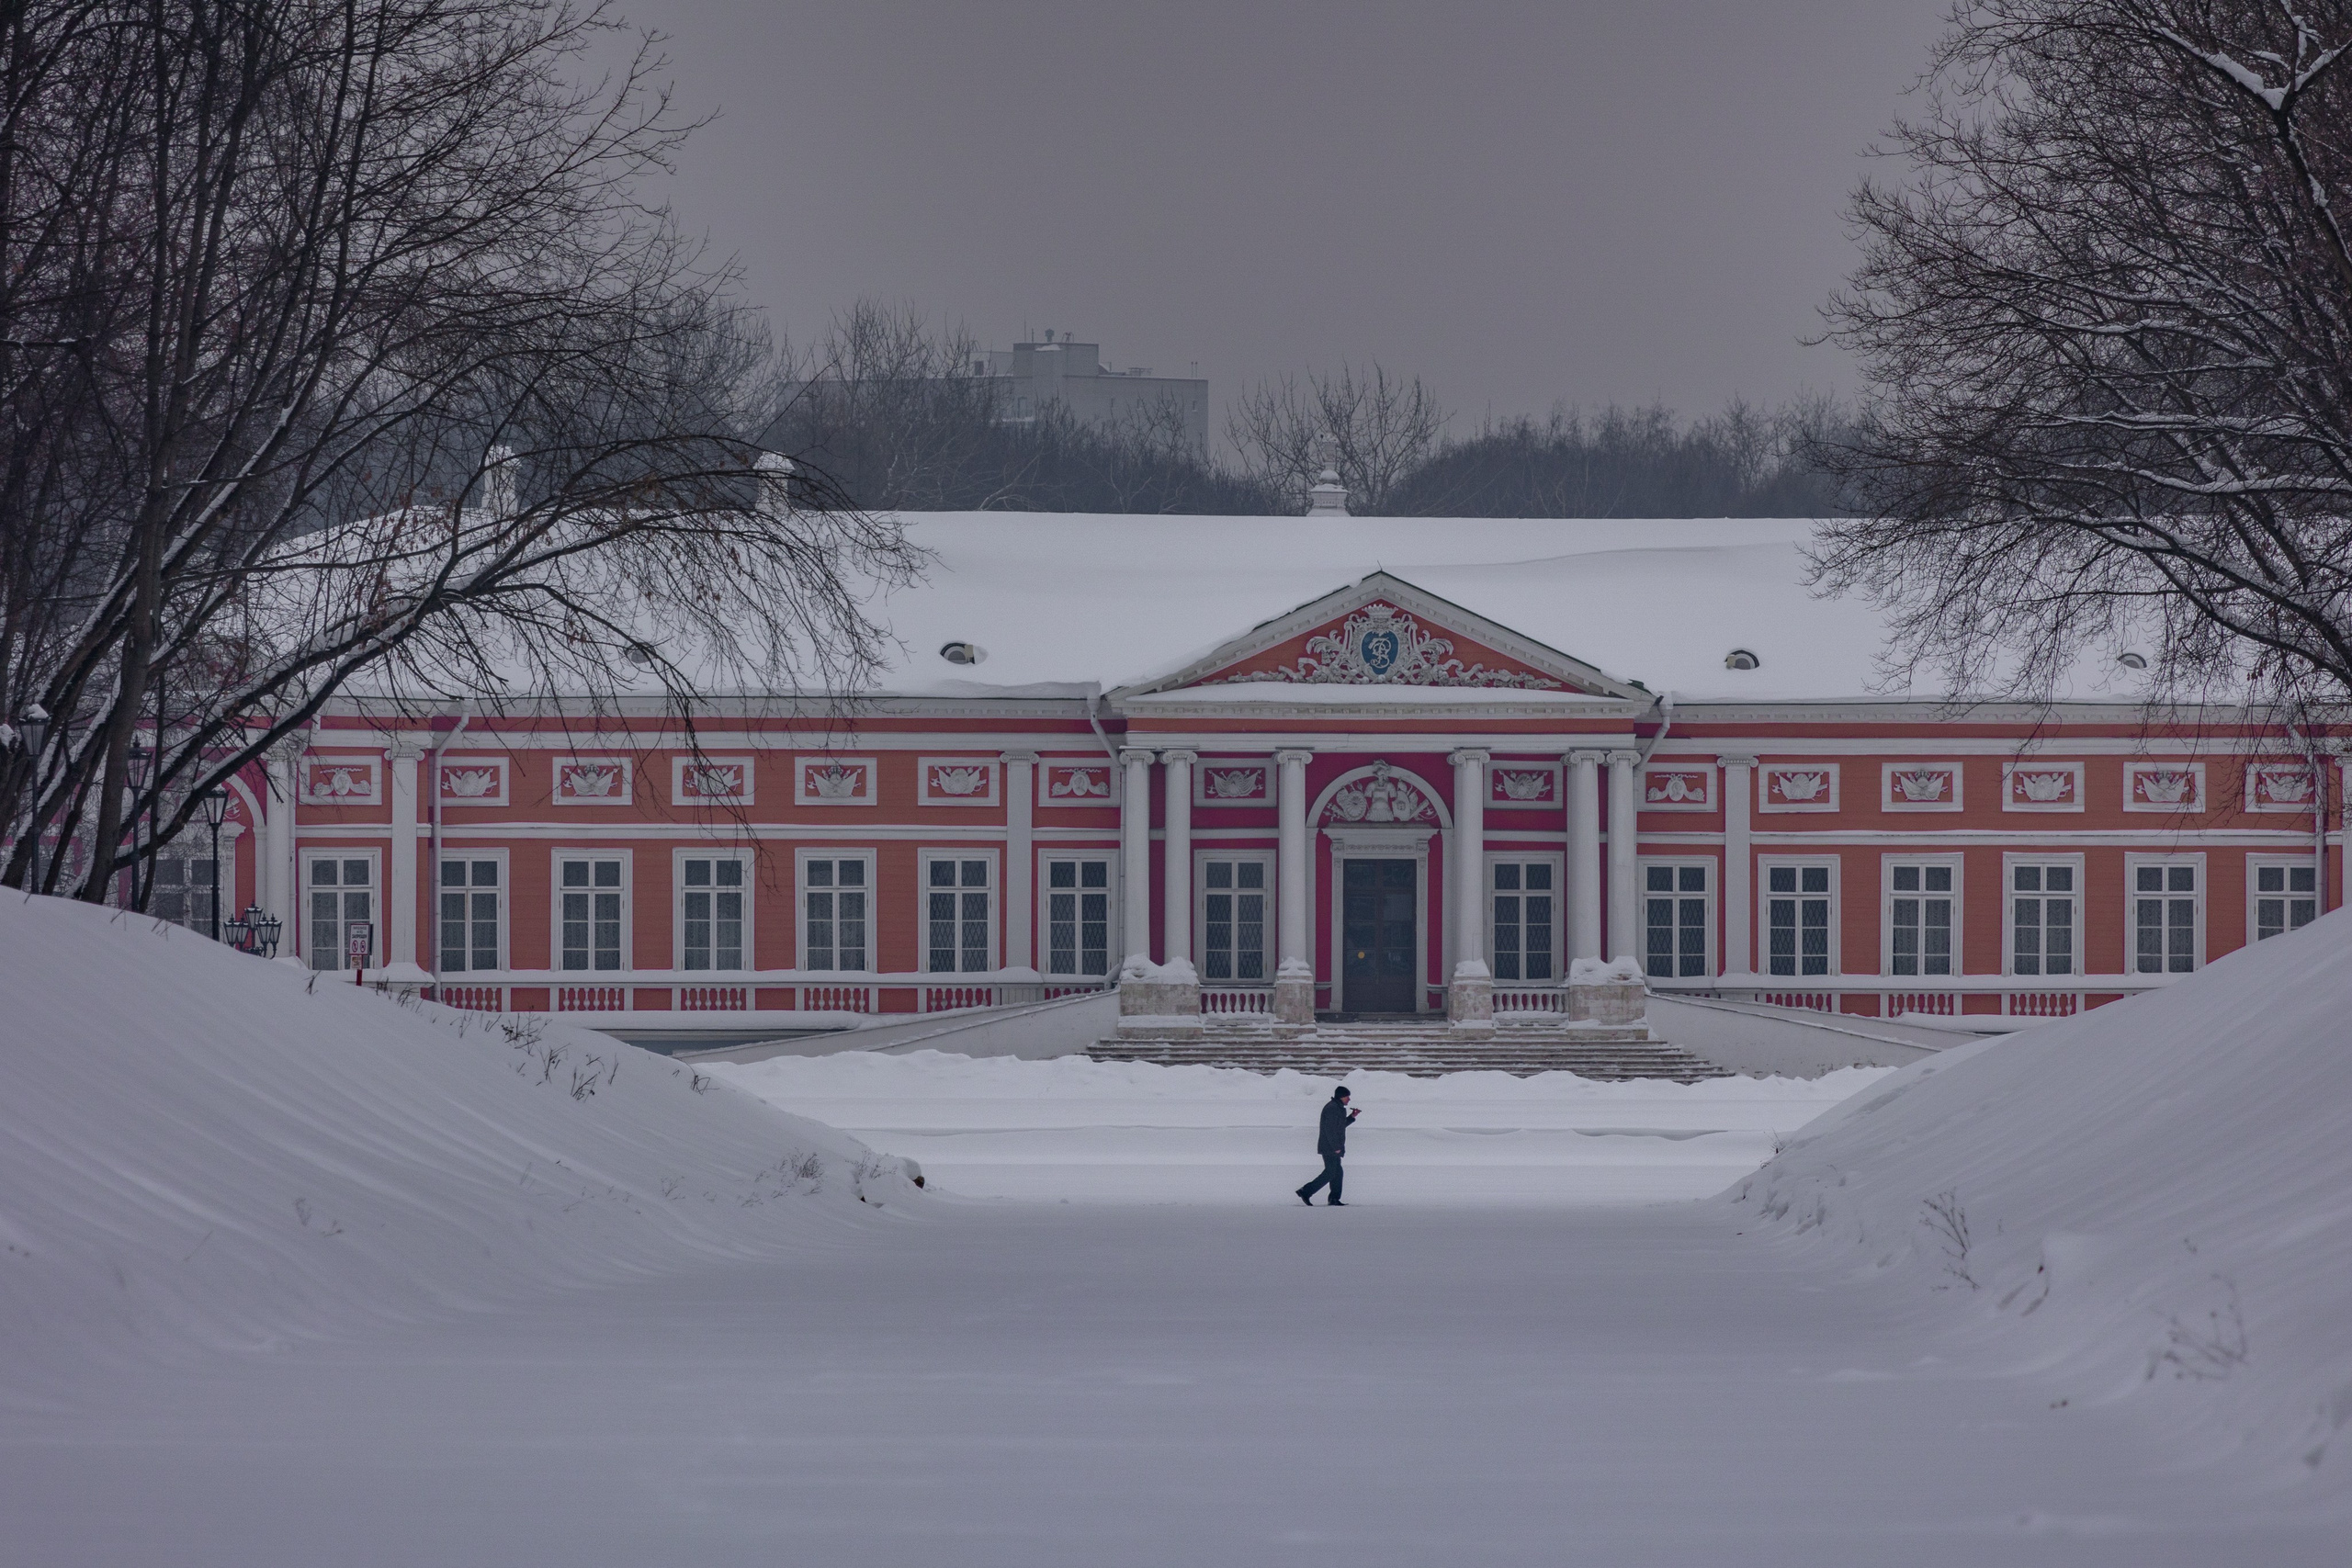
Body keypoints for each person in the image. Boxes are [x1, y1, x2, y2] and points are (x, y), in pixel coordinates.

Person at [1296, 1086, 1359, 1206]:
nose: (1349, 1099)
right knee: (1331, 1172)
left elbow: (1339, 1127)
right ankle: (1306, 1191)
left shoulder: (1339, 1108)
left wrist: (1352, 1117)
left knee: (1337, 1173)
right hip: (1329, 1147)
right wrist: (1335, 1147)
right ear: (1341, 1096)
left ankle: (1334, 1198)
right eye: (1347, 1096)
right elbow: (1330, 1130)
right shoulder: (1332, 1108)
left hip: (1333, 1147)